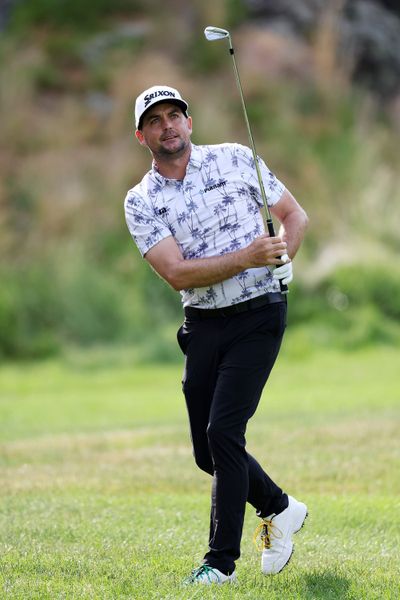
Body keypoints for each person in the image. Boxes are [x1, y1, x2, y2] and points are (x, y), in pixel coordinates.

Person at [124, 85, 309, 585]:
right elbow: (178, 274)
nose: (169, 126)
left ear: (190, 121)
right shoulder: (140, 201)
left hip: (258, 315)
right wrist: (248, 257)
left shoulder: (234, 157)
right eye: (156, 120)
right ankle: (279, 507)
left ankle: (219, 563)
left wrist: (284, 254)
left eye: (175, 116)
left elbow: (293, 215)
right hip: (203, 323)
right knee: (208, 454)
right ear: (142, 135)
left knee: (224, 433)